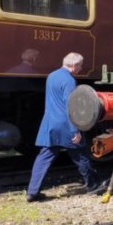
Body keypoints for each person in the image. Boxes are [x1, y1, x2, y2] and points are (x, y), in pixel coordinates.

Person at [26, 52, 102, 202]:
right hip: (65, 125)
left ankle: (32, 192)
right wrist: (75, 130)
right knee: (80, 155)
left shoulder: (52, 76)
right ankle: (93, 186)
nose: (80, 69)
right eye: (80, 66)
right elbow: (70, 107)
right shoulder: (69, 81)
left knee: (44, 157)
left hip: (50, 123)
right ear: (73, 66)